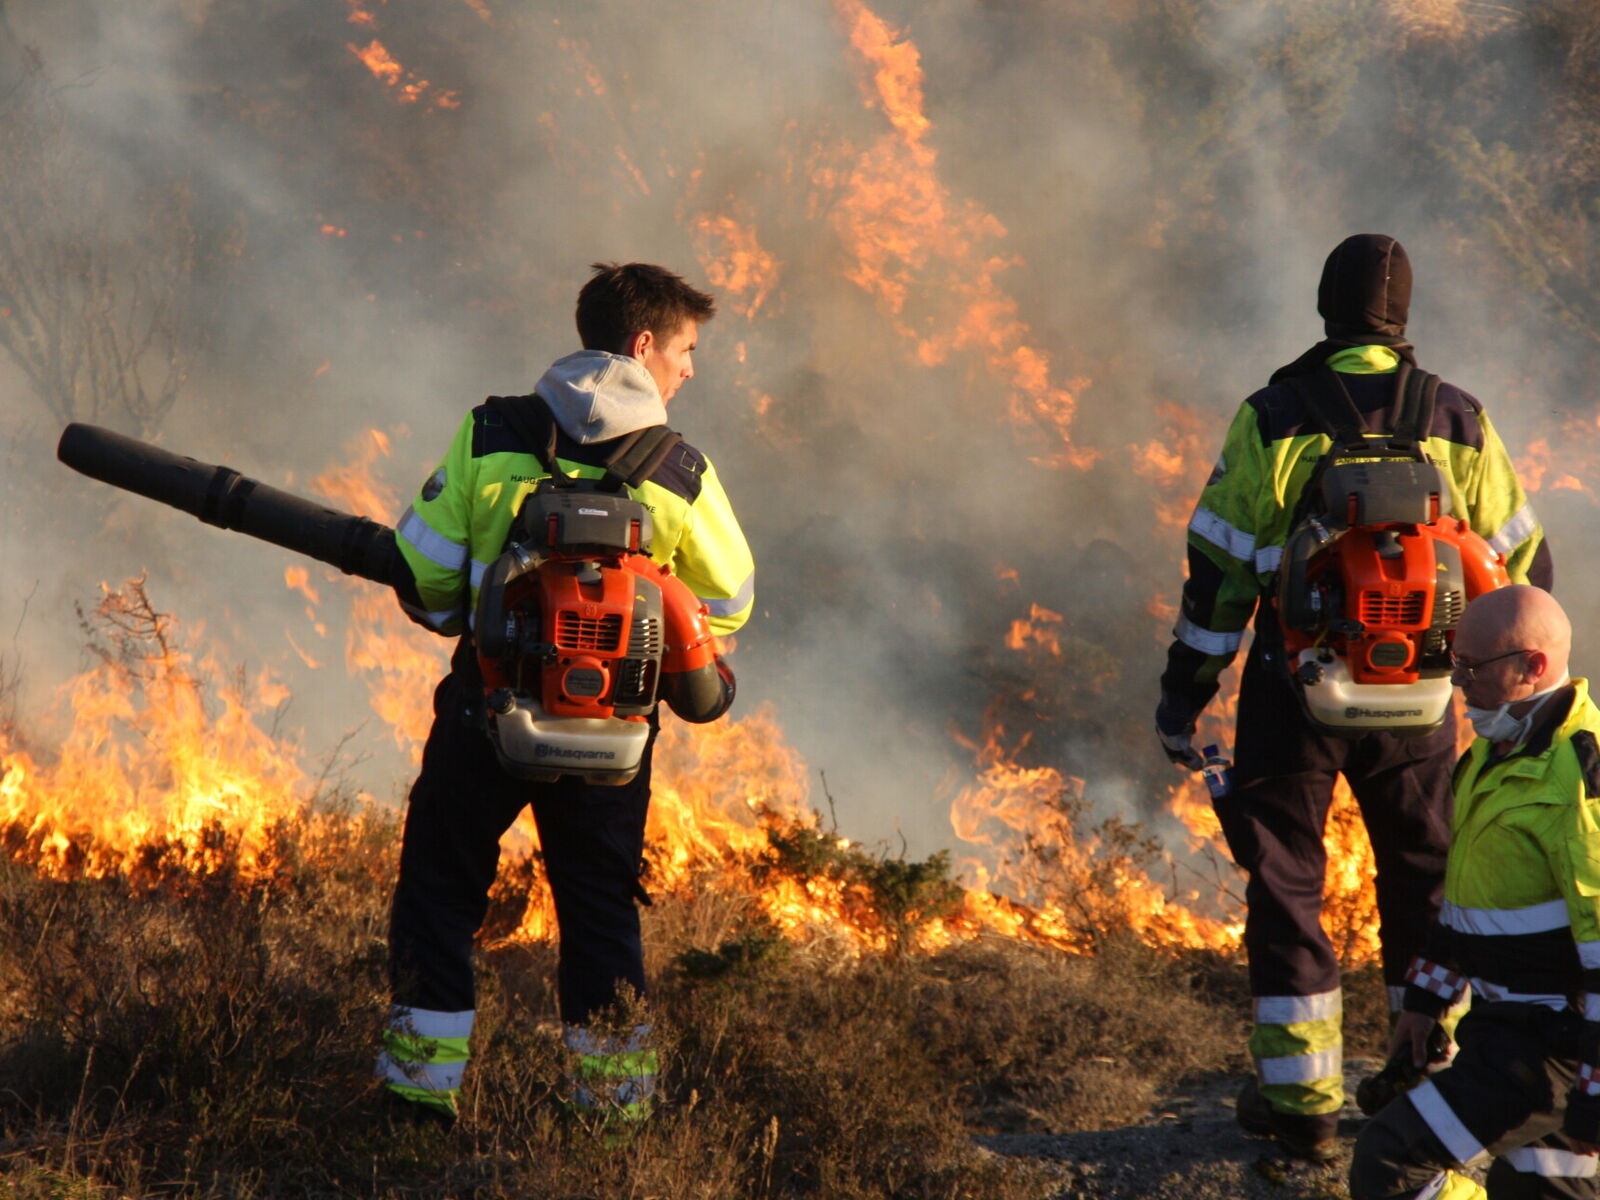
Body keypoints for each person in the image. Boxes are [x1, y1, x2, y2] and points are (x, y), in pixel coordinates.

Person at [1156, 234, 1552, 1160]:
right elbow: (1525, 568)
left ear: (1325, 308)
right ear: (1403, 319)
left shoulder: (1274, 416)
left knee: (1289, 880)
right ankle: (1423, 1072)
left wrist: (1186, 692)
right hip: (1422, 700)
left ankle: (1301, 1107)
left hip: (1294, 690)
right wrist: (1504, 692)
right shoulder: (1460, 420)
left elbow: (1216, 569)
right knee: (1424, 878)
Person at [377, 262, 756, 1128]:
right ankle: (611, 1120)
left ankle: (414, 1103)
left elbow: (426, 579)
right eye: (689, 349)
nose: (692, 369)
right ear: (645, 344)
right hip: (611, 742)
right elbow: (732, 599)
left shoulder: (490, 432)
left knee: (441, 894)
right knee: (597, 914)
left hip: (486, 713)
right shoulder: (678, 467)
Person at [1349, 585, 1600, 1200]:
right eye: (1453, 662)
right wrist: (1426, 1001)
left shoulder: (1582, 780)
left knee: (1389, 1164)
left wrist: (1596, 1092)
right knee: (1541, 1191)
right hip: (1503, 1026)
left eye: (1472, 667)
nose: (1458, 681)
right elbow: (1464, 900)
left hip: (1551, 1046)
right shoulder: (1493, 750)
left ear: (1531, 666)